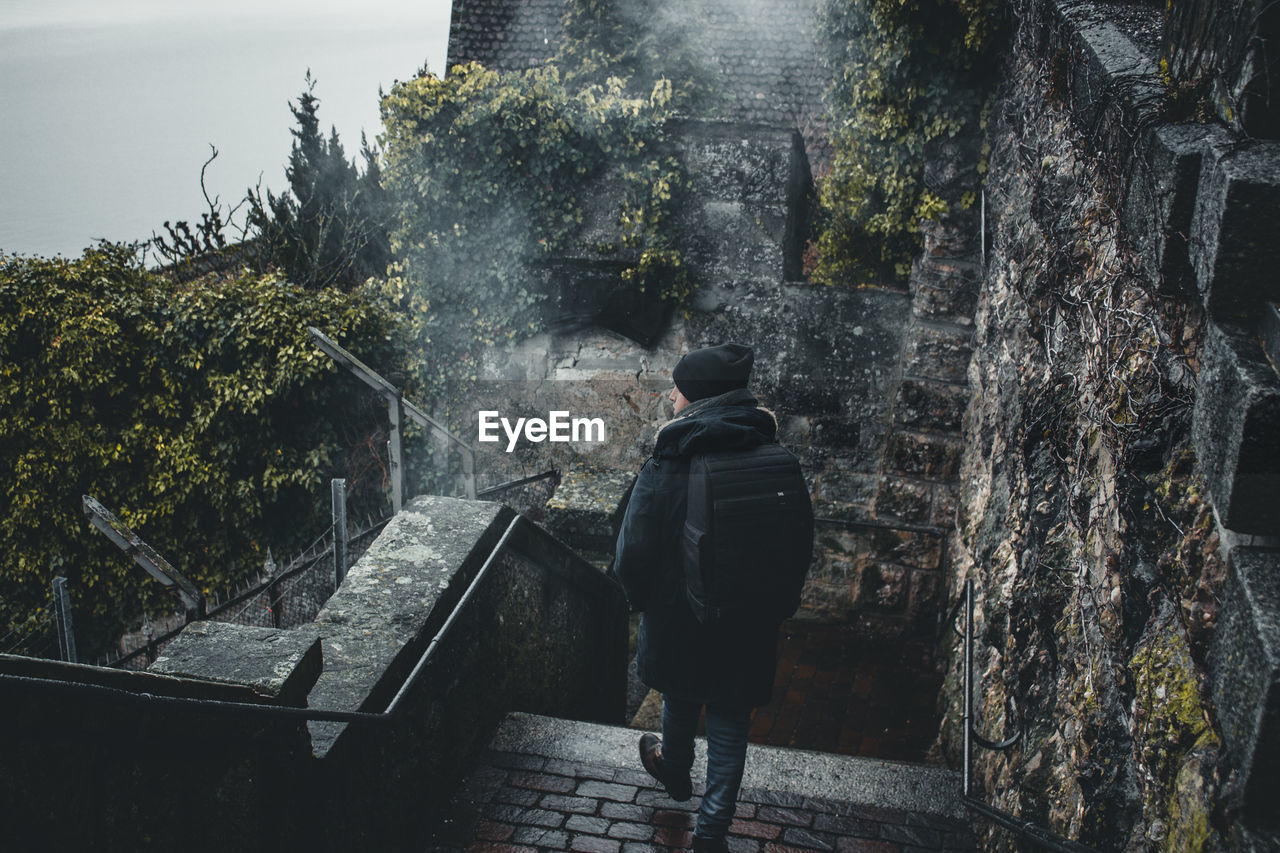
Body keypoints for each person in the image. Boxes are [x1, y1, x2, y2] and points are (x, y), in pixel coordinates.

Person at [614, 342, 810, 853]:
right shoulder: (775, 457)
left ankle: (674, 769)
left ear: (698, 398)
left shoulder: (669, 460)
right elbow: (799, 542)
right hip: (747, 618)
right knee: (729, 721)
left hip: (678, 614)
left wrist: (643, 600)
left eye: (680, 387)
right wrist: (776, 607)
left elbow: (633, 549)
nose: (672, 394)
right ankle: (711, 834)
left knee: (679, 691)